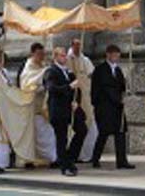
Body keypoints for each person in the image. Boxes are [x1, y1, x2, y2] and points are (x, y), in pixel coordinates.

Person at [44, 47, 87, 177]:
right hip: (58, 110)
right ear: (55, 57)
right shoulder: (51, 71)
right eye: (62, 56)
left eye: (65, 55)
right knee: (62, 138)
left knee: (82, 130)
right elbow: (52, 89)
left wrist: (77, 101)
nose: (64, 58)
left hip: (71, 108)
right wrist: (69, 87)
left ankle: (69, 158)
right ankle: (65, 166)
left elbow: (77, 90)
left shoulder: (69, 72)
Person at [90, 44, 134, 170]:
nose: (116, 57)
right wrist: (116, 99)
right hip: (105, 107)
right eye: (114, 54)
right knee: (103, 134)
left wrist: (126, 87)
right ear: (108, 55)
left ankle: (122, 161)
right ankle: (95, 158)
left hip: (117, 108)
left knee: (120, 133)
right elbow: (105, 88)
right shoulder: (100, 70)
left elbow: (121, 87)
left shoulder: (118, 70)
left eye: (118, 55)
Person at [19, 42, 57, 166]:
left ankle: (52, 158)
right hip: (33, 106)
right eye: (39, 54)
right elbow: (27, 85)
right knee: (36, 135)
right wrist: (42, 79)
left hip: (44, 105)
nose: (42, 56)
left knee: (47, 134)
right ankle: (31, 159)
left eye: (43, 54)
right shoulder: (28, 68)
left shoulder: (43, 65)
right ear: (33, 54)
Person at [66, 38, 97, 162]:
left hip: (86, 95)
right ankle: (71, 154)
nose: (78, 47)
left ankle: (84, 154)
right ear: (72, 45)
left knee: (88, 124)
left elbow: (91, 74)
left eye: (80, 45)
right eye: (76, 45)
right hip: (72, 97)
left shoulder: (85, 60)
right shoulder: (67, 59)